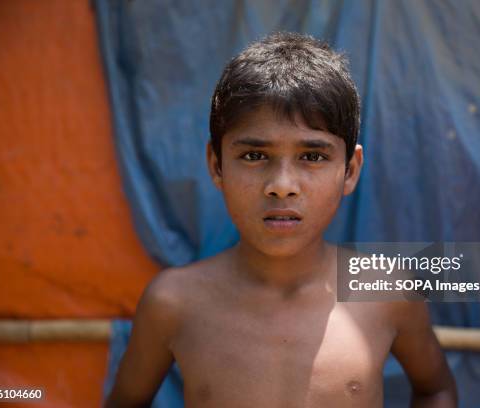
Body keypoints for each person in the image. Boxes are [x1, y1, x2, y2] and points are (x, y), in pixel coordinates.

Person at [105, 32, 457, 408]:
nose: (282, 186)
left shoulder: (389, 291)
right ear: (216, 165)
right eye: (255, 156)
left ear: (350, 171)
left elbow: (435, 388)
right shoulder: (174, 303)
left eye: (313, 156)